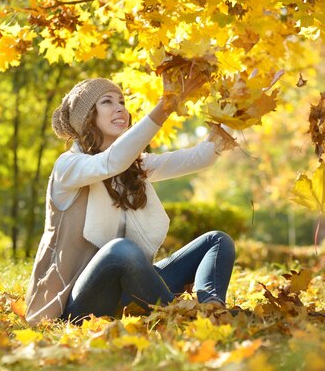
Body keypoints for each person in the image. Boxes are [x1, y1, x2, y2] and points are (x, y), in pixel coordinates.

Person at [24, 74, 236, 325]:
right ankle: (183, 316)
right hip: (80, 305)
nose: (120, 108)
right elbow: (110, 162)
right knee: (121, 249)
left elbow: (201, 157)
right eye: (107, 101)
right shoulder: (68, 167)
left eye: (122, 102)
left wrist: (239, 107)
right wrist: (165, 107)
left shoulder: (134, 166)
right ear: (87, 117)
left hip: (127, 296)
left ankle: (213, 310)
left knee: (217, 241)